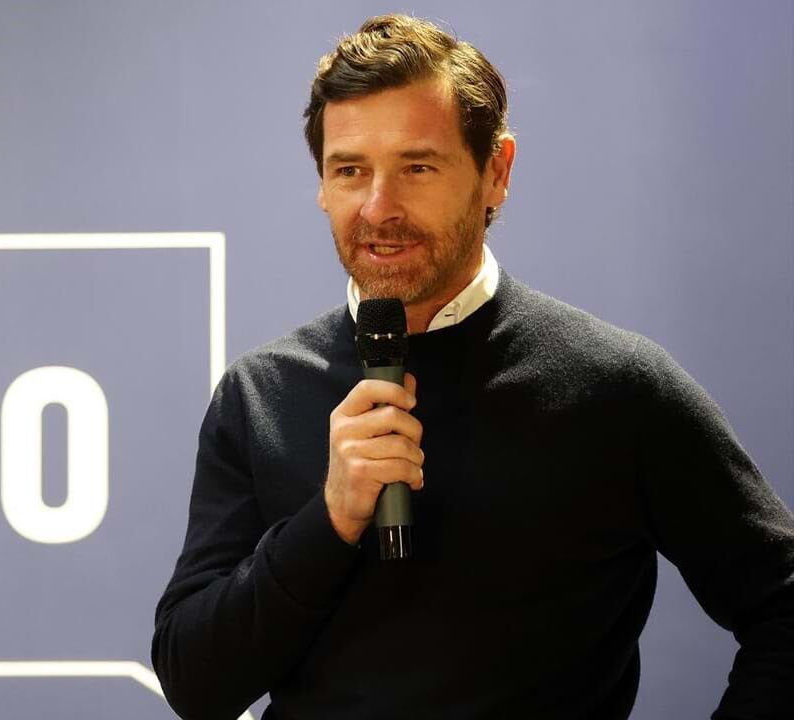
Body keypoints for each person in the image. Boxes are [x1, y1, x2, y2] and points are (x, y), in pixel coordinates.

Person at [151, 14, 794, 720]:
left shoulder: (618, 387)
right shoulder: (260, 393)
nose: (379, 207)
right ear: (324, 185)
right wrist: (328, 519)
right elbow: (194, 683)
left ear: (496, 172)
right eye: (350, 170)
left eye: (417, 167)